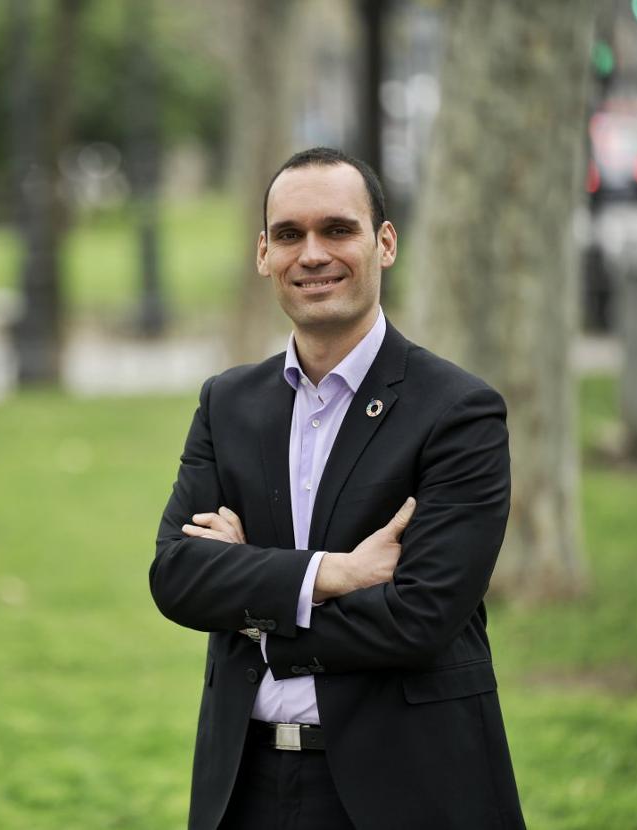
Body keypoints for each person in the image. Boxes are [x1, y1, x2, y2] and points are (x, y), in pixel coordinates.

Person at [150, 147, 525, 829]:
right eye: (289, 234)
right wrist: (335, 575)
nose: (313, 254)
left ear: (386, 243)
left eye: (338, 229)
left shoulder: (458, 412)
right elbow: (177, 575)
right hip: (245, 789)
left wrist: (255, 612)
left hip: (408, 790)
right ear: (264, 254)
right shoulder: (226, 404)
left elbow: (421, 617)